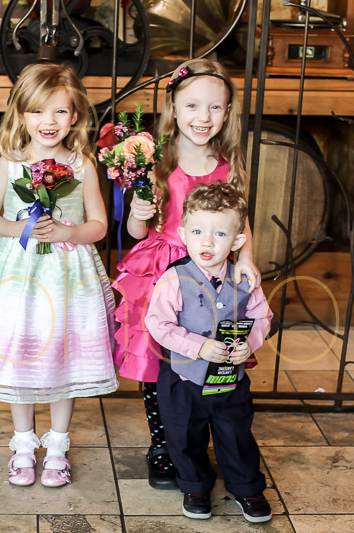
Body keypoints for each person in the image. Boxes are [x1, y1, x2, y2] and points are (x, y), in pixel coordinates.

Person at [111, 59, 262, 489]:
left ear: (228, 112)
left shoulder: (228, 164)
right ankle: (163, 443)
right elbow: (138, 230)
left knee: (207, 349)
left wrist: (246, 257)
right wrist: (139, 213)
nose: (203, 117)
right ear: (173, 108)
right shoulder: (155, 159)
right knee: (162, 358)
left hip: (214, 267)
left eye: (215, 108)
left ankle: (206, 434)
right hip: (164, 268)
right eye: (192, 106)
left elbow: (241, 219)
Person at [0, 62, 118, 488]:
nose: (48, 122)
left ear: (74, 116)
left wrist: (67, 232)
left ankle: (57, 444)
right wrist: (20, 227)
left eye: (59, 112)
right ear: (21, 115)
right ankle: (23, 443)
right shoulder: (10, 161)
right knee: (20, 350)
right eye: (38, 112)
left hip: (66, 275)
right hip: (18, 277)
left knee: (62, 351)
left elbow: (99, 225)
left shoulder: (81, 165)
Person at [145, 182, 272, 523]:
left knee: (236, 434)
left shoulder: (245, 279)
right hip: (184, 379)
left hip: (230, 380)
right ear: (183, 233)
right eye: (198, 231)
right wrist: (198, 346)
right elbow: (157, 324)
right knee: (185, 436)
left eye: (219, 234)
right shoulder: (174, 279)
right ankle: (195, 485)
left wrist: (251, 342)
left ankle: (246, 487)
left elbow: (262, 317)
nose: (207, 242)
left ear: (237, 241)